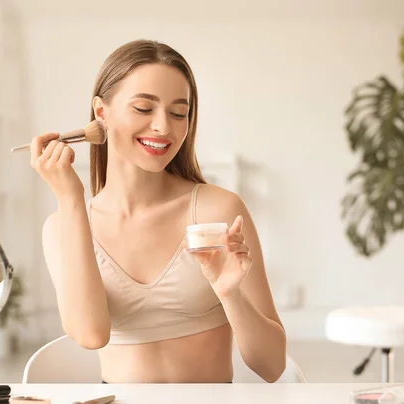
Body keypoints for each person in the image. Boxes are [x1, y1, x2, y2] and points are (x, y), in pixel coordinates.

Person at [30, 39, 287, 383]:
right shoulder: (61, 225)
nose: (164, 128)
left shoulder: (218, 209)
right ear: (101, 112)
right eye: (143, 108)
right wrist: (72, 201)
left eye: (179, 112)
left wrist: (229, 293)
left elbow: (272, 366)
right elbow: (91, 334)